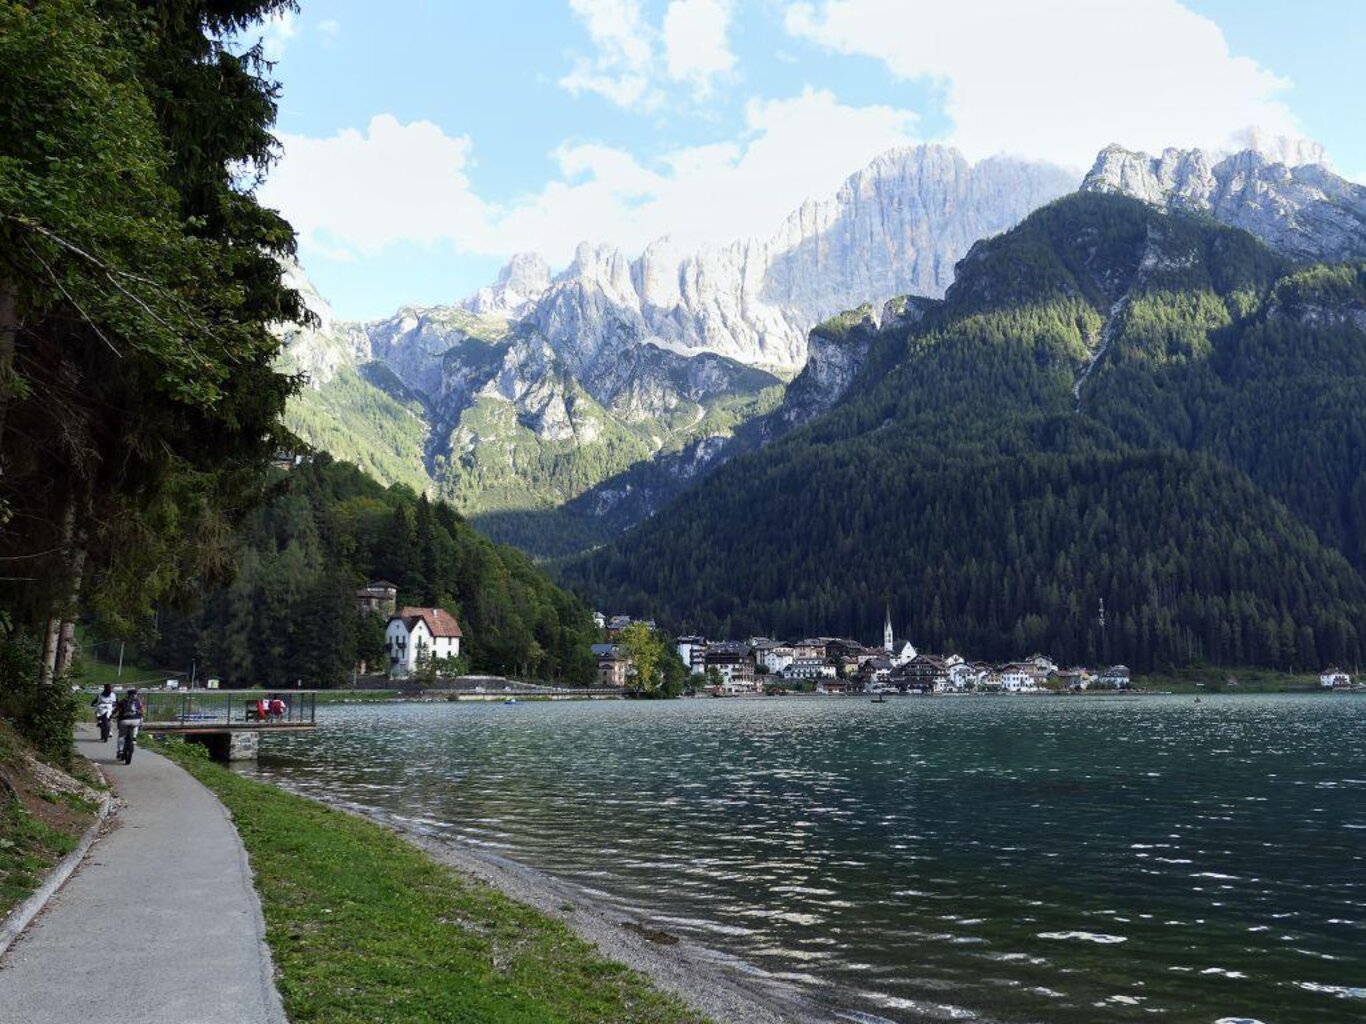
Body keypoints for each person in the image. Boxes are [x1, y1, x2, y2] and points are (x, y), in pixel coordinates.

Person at [115, 688, 144, 763]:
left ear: (128, 694)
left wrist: (112, 715)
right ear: (135, 695)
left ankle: (120, 751)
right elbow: (142, 711)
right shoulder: (138, 701)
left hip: (124, 721)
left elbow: (117, 709)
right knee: (136, 726)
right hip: (136, 721)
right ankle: (134, 737)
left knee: (121, 736)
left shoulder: (123, 701)